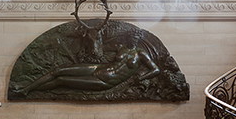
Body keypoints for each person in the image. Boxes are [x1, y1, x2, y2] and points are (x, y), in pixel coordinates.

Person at [15, 46, 160, 95]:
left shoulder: (141, 54)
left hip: (104, 81)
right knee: (57, 70)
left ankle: (28, 90)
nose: (133, 37)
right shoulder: (121, 47)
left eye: (136, 36)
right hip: (98, 68)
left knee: (61, 80)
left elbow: (156, 69)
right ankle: (26, 88)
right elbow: (97, 47)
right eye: (131, 35)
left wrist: (140, 78)